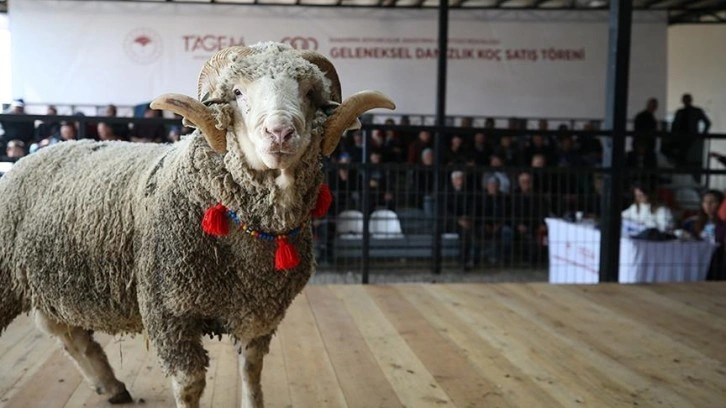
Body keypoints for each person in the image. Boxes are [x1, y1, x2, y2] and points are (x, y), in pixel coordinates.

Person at [683, 190, 726, 280]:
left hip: (717, 260)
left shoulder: (723, 224)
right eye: (705, 201)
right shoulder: (693, 222)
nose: (708, 205)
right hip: (698, 258)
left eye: (712, 202)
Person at [668, 93, 711, 165]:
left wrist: (703, 135)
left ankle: (680, 164)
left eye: (687, 100)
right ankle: (679, 163)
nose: (686, 102)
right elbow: (674, 125)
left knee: (682, 152)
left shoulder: (695, 111)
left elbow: (707, 123)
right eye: (685, 100)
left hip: (689, 136)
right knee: (672, 149)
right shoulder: (680, 112)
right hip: (681, 136)